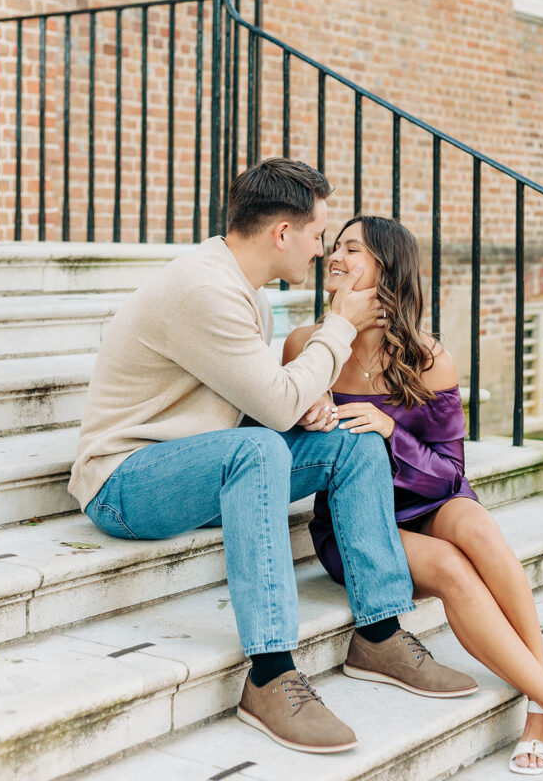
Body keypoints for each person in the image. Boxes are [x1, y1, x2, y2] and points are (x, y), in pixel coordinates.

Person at [68, 159, 476, 757]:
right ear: (282, 233)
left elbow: (259, 399)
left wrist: (309, 407)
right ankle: (269, 674)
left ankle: (381, 633)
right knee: (260, 449)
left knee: (355, 438)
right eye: (318, 235)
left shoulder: (246, 294)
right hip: (127, 482)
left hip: (200, 467)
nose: (322, 251)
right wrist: (336, 328)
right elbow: (269, 415)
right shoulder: (204, 288)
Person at [283, 215, 543, 781]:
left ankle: (539, 707)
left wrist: (389, 430)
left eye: (350, 249)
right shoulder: (305, 345)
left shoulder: (429, 359)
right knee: (454, 566)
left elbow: (449, 474)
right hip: (358, 526)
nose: (333, 256)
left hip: (430, 501)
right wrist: (305, 417)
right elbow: (284, 436)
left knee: (475, 527)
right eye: (334, 247)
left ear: (387, 268)